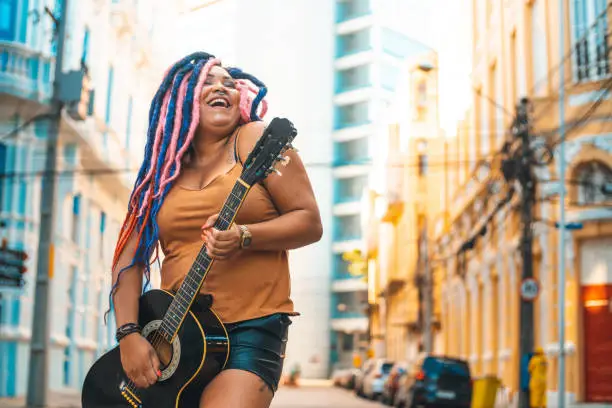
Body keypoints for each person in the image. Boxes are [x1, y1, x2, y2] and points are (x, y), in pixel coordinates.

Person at [108, 52, 322, 408]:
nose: (221, 87)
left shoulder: (255, 140)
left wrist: (245, 236)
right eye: (207, 81)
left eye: (228, 83)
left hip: (249, 329)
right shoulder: (160, 174)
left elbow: (309, 221)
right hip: (175, 337)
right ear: (179, 99)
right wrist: (128, 334)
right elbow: (128, 261)